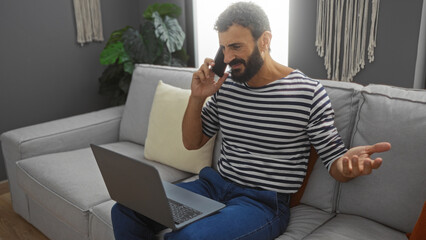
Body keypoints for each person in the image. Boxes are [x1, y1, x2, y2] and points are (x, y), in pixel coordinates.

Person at [111, 2, 391, 240]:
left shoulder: (308, 93)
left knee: (189, 237)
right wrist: (196, 98)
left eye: (236, 47)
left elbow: (334, 162)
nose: (229, 58)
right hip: (212, 186)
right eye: (223, 48)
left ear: (265, 40)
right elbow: (191, 142)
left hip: (262, 203)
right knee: (125, 208)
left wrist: (347, 165)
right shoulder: (227, 86)